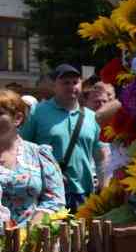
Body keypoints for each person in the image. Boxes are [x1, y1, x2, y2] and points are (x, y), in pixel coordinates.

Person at [20, 65, 102, 212]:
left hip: (85, 195)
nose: (71, 86)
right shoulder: (37, 112)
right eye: (65, 82)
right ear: (54, 86)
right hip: (48, 195)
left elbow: (100, 157)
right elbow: (23, 150)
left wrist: (104, 187)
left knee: (84, 235)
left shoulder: (91, 117)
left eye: (75, 82)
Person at [0, 89, 65, 226]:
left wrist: (29, 232)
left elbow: (54, 200)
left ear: (17, 118)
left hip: (31, 241)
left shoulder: (38, 154)